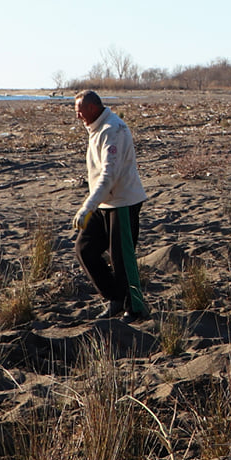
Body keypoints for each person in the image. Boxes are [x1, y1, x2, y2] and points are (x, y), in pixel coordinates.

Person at [72, 90, 149, 321]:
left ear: (93, 108)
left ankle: (135, 308)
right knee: (85, 249)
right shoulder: (96, 128)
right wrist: (94, 205)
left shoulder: (112, 130)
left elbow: (109, 174)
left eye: (80, 111)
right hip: (104, 203)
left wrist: (87, 206)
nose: (78, 116)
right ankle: (115, 298)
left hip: (123, 203)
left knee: (122, 259)